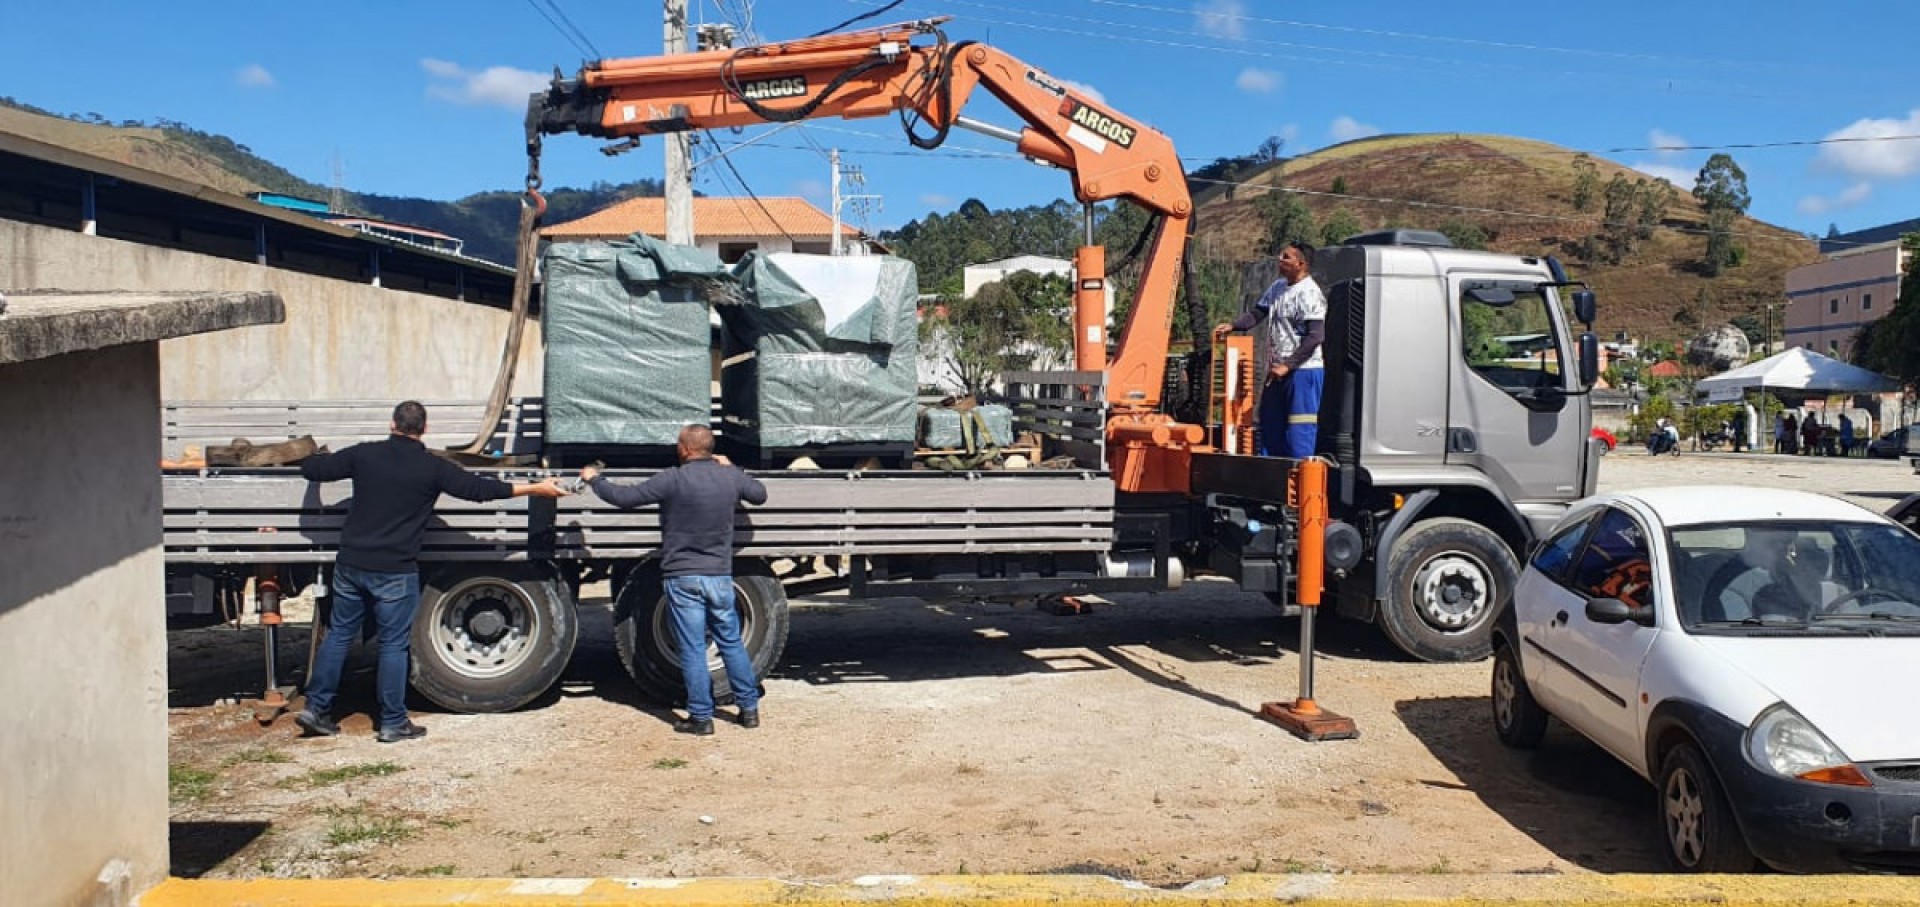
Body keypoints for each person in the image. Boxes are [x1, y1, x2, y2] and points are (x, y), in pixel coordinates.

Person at [294, 401, 569, 743]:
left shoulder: (363, 455)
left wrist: (313, 456)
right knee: (393, 645)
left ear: (392, 424)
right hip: (395, 571)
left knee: (338, 635)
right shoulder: (432, 468)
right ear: (424, 430)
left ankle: (317, 709)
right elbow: (480, 490)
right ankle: (393, 722)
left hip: (351, 565)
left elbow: (315, 470)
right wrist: (534, 488)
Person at [583, 425, 768, 735]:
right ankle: (749, 710)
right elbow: (759, 495)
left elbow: (623, 498)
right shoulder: (729, 477)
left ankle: (701, 718)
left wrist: (594, 479)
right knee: (731, 642)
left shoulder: (671, 478)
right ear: (711, 449)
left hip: (682, 577)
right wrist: (732, 467)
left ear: (684, 449)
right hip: (720, 576)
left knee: (693, 648)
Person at [1212, 241, 1325, 458]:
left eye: (1286, 257)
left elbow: (1315, 337)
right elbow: (1258, 313)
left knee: (1299, 428)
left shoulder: (1310, 293)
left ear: (1301, 264)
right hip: (1277, 370)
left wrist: (1288, 365)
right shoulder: (1278, 287)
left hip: (1303, 371)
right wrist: (1233, 326)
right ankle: (1270, 476)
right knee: (1270, 422)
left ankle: (1299, 478)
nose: (1280, 260)